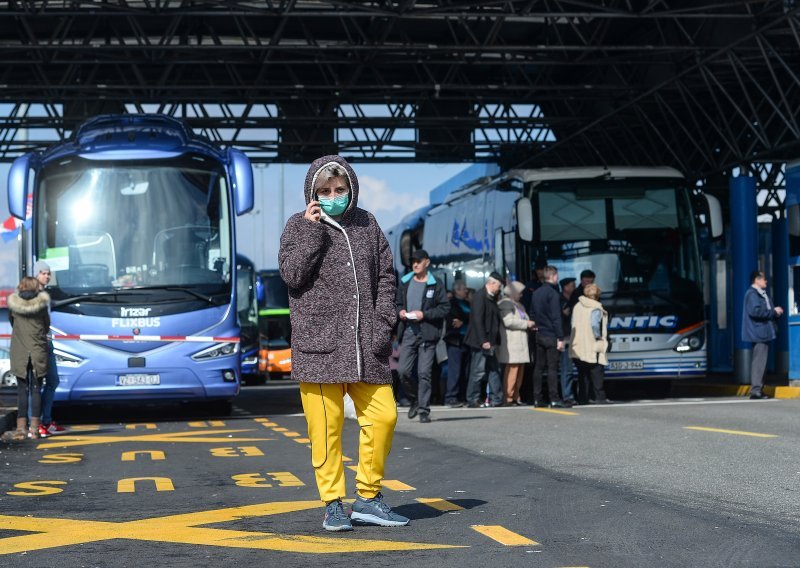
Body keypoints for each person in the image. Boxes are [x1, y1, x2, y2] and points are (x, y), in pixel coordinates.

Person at [278, 155, 409, 532]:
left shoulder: (367, 224)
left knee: (383, 416)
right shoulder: (297, 226)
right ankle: (333, 503)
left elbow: (386, 275)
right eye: (325, 190)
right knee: (326, 429)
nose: (334, 195)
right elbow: (292, 275)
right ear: (313, 193)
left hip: (367, 344)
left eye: (340, 189)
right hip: (319, 346)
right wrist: (312, 231)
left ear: (351, 188)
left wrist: (383, 323)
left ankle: (368, 497)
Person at [395, 249, 449, 423]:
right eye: (413, 261)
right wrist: (400, 311)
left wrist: (424, 314)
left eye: (419, 261)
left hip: (427, 333)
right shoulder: (404, 282)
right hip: (409, 332)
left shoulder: (436, 283)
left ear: (427, 262)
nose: (415, 264)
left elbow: (445, 308)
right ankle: (415, 399)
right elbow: (397, 304)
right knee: (403, 371)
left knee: (424, 372)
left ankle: (424, 410)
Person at [2, 277, 50, 441]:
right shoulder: (41, 306)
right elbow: (46, 326)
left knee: (22, 390)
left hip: (20, 351)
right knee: (36, 390)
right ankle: (35, 430)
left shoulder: (14, 306)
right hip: (37, 351)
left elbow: (12, 322)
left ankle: (21, 430)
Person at [32, 260, 66, 438]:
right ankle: (35, 424)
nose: (47, 276)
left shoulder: (45, 293)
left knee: (53, 381)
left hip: (48, 342)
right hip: (37, 344)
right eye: (43, 273)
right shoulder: (31, 294)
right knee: (36, 385)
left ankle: (46, 421)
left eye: (48, 273)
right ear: (36, 274)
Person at [742, 270, 784, 399]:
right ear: (757, 280)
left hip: (763, 332)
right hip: (759, 332)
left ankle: (758, 389)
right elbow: (756, 312)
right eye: (764, 279)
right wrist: (773, 312)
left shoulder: (760, 294)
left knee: (762, 361)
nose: (766, 281)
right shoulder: (752, 294)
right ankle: (756, 390)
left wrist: (774, 313)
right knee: (759, 362)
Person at [464, 272, 503, 408]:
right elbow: (477, 320)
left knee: (493, 370)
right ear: (492, 283)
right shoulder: (480, 296)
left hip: (489, 341)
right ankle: (472, 398)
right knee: (478, 370)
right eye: (499, 286)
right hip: (481, 342)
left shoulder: (490, 297)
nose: (499, 289)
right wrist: (483, 341)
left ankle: (496, 398)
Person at [530, 266, 568, 407]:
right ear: (552, 276)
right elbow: (556, 317)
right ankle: (554, 398)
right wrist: (560, 337)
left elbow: (532, 313)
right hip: (551, 334)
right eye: (556, 276)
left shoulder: (536, 293)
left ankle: (537, 398)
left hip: (539, 333)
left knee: (539, 367)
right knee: (552, 368)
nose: (557, 278)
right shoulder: (553, 294)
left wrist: (536, 327)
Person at [570, 283, 610, 404]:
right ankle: (600, 397)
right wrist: (598, 337)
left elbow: (573, 322)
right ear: (597, 295)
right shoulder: (596, 308)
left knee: (583, 374)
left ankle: (583, 398)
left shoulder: (577, 305)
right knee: (597, 371)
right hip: (592, 344)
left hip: (578, 344)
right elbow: (594, 325)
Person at [497, 281, 535, 405]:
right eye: (520, 293)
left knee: (519, 372)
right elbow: (508, 321)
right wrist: (526, 324)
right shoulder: (505, 304)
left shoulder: (518, 305)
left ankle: (516, 396)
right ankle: (508, 397)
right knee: (512, 371)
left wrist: (530, 325)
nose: (522, 295)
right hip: (512, 343)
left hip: (520, 342)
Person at [442, 279, 471, 407]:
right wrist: (465, 319)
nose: (466, 291)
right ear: (457, 290)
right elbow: (454, 319)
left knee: (465, 370)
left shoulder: (468, 303)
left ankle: (462, 396)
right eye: (464, 289)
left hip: (467, 340)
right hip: (455, 340)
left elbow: (470, 317)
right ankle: (451, 397)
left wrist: (463, 320)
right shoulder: (451, 303)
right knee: (455, 370)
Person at [559, 277, 577, 405]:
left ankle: (571, 394)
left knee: (570, 369)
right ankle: (567, 396)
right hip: (565, 338)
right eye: (572, 285)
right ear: (565, 287)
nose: (574, 287)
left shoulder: (572, 299)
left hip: (573, 337)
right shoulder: (561, 301)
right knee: (567, 369)